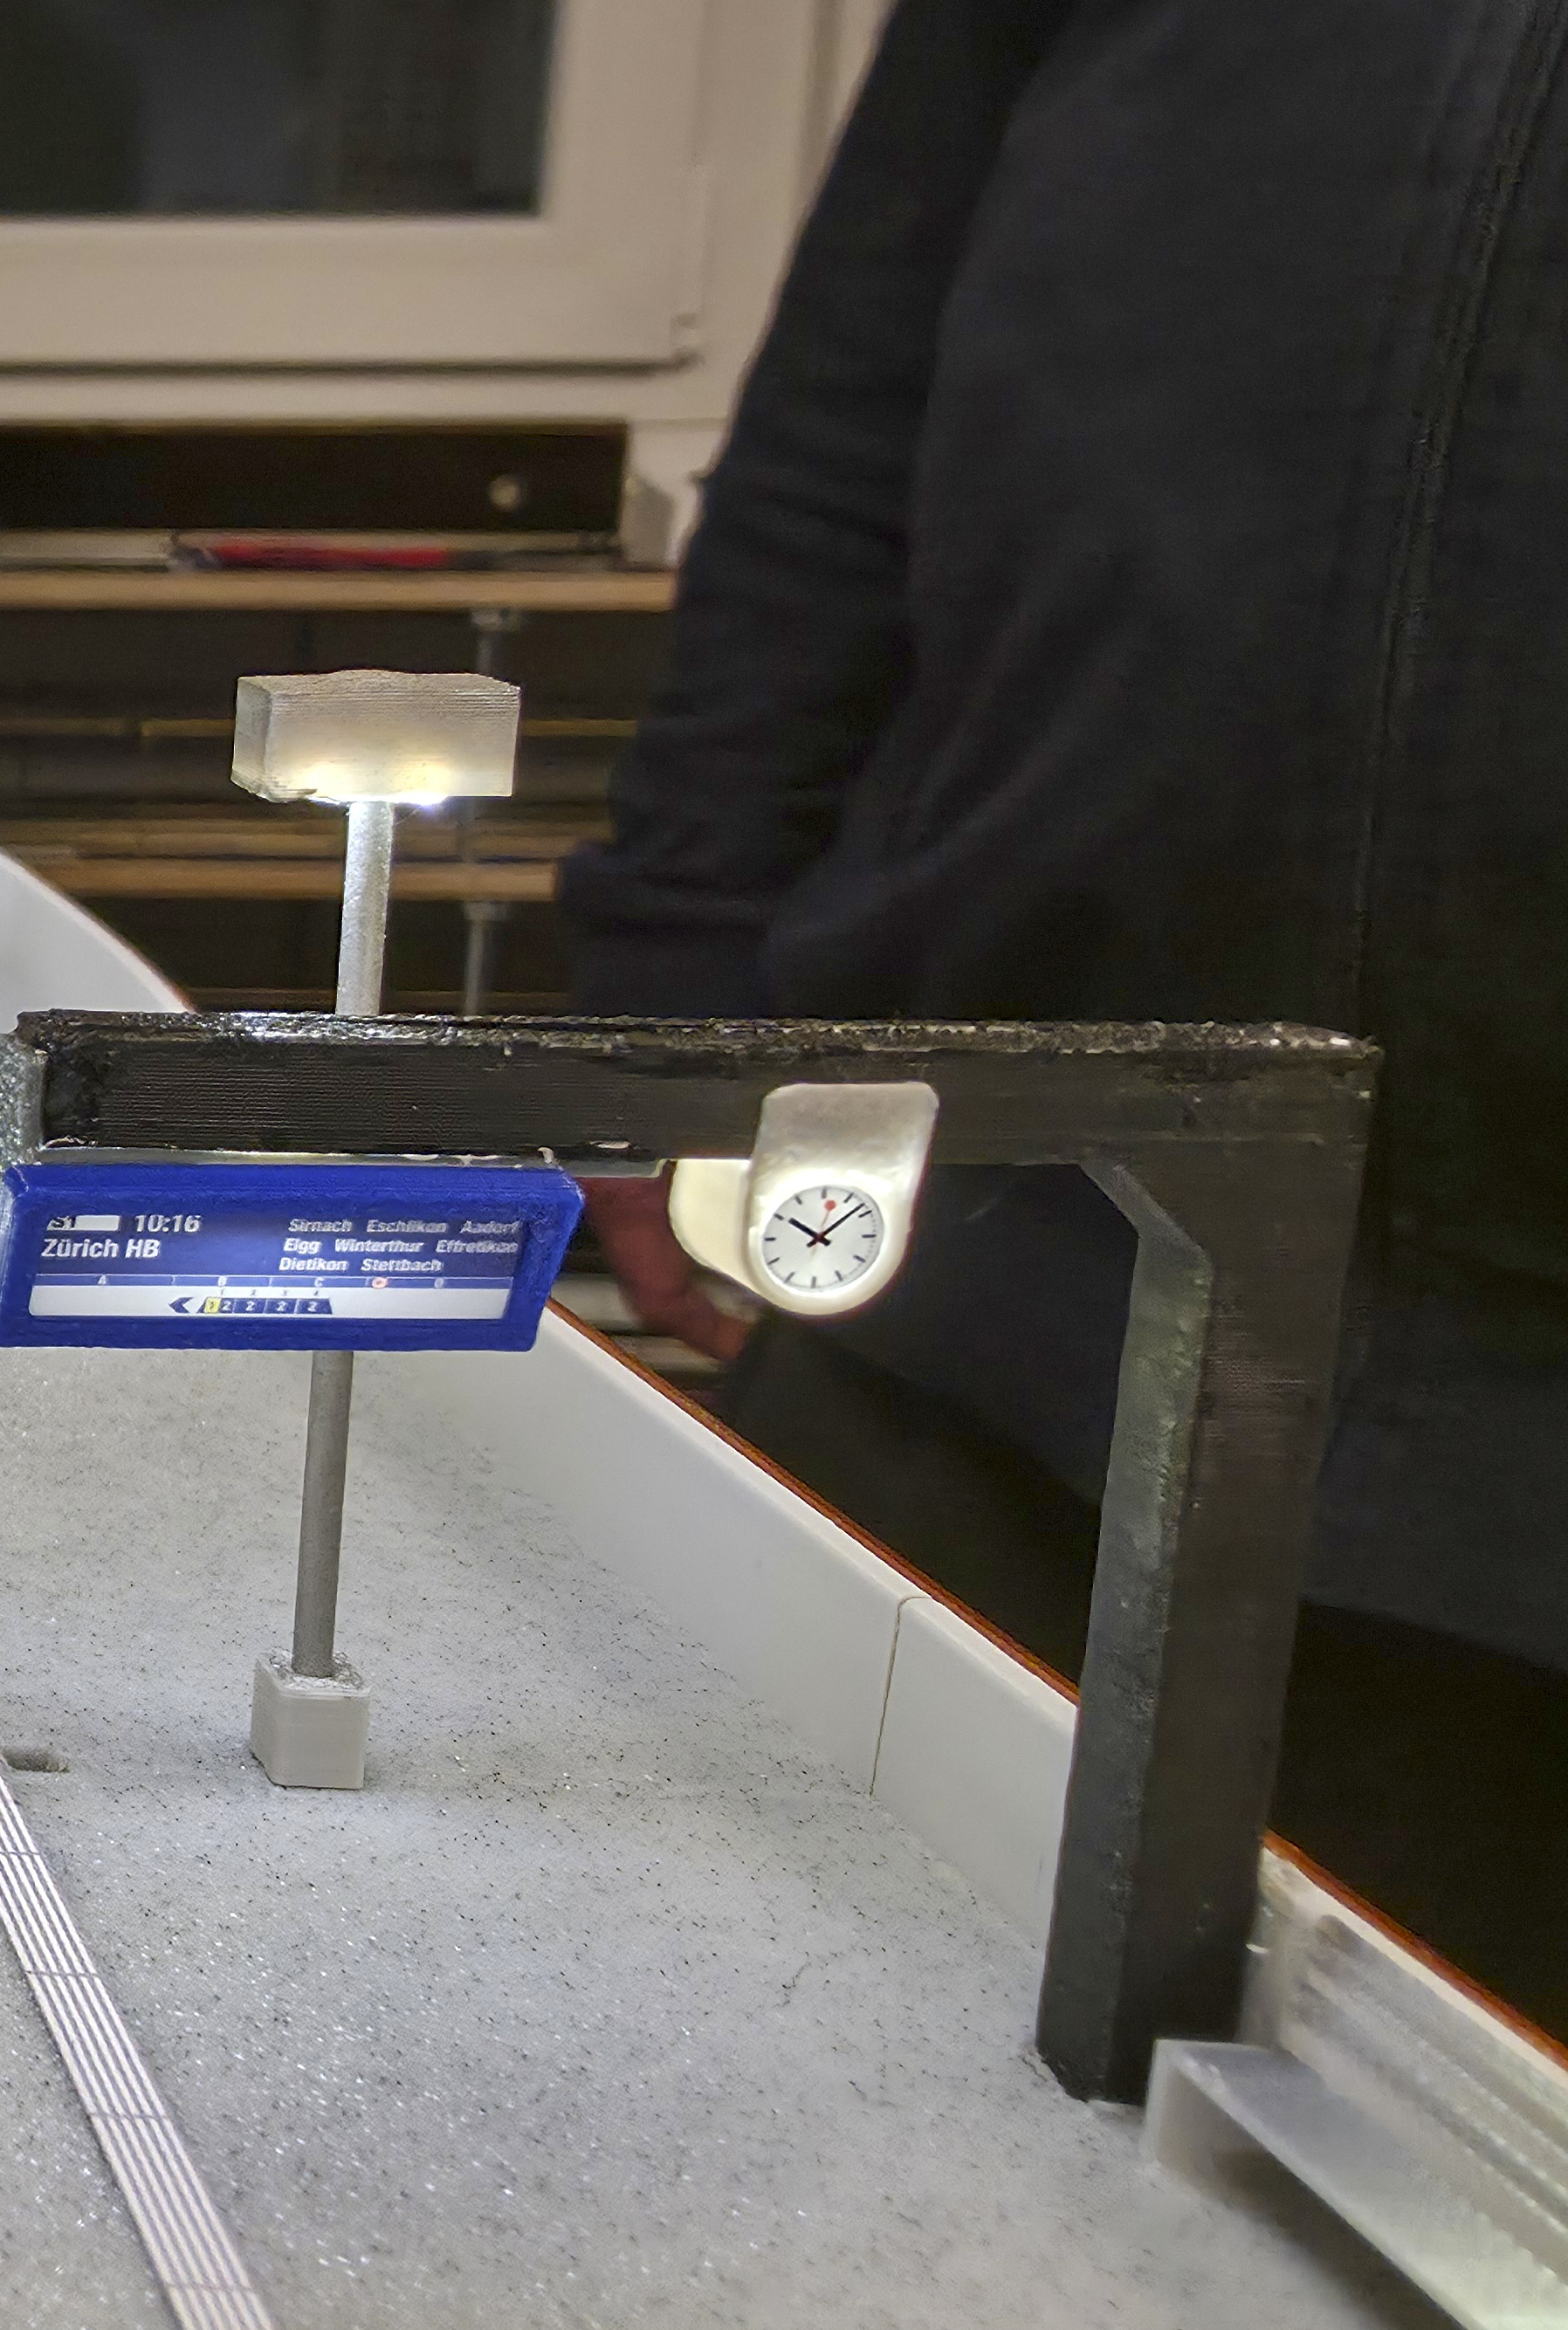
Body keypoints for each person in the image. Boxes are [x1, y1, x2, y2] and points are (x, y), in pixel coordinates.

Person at [558, 0, 1568, 2027]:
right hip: (972, 1306)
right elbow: (846, 415)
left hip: (1508, 1529)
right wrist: (675, 989)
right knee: (719, 2048)